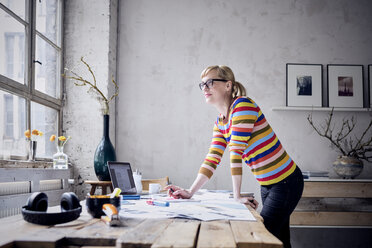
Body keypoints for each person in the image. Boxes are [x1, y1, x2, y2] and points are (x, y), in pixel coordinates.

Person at [165, 65, 304, 248]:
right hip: (268, 185)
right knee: (280, 241)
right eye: (202, 84)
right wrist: (190, 192)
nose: (204, 88)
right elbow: (212, 158)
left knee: (262, 239)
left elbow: (236, 151)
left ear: (228, 85)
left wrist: (237, 195)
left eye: (210, 82)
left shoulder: (243, 106)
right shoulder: (220, 122)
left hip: (286, 183)